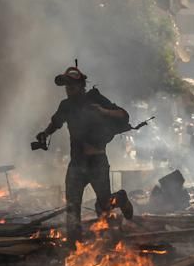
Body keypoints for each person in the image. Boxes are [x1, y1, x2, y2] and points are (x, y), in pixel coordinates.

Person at [35, 64, 133, 242]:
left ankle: (120, 199)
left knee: (104, 205)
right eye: (66, 87)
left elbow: (123, 115)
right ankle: (74, 244)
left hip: (97, 161)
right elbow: (56, 122)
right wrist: (45, 134)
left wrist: (103, 111)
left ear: (81, 86)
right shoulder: (66, 106)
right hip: (77, 163)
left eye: (72, 86)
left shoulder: (95, 98)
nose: (69, 90)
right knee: (72, 206)